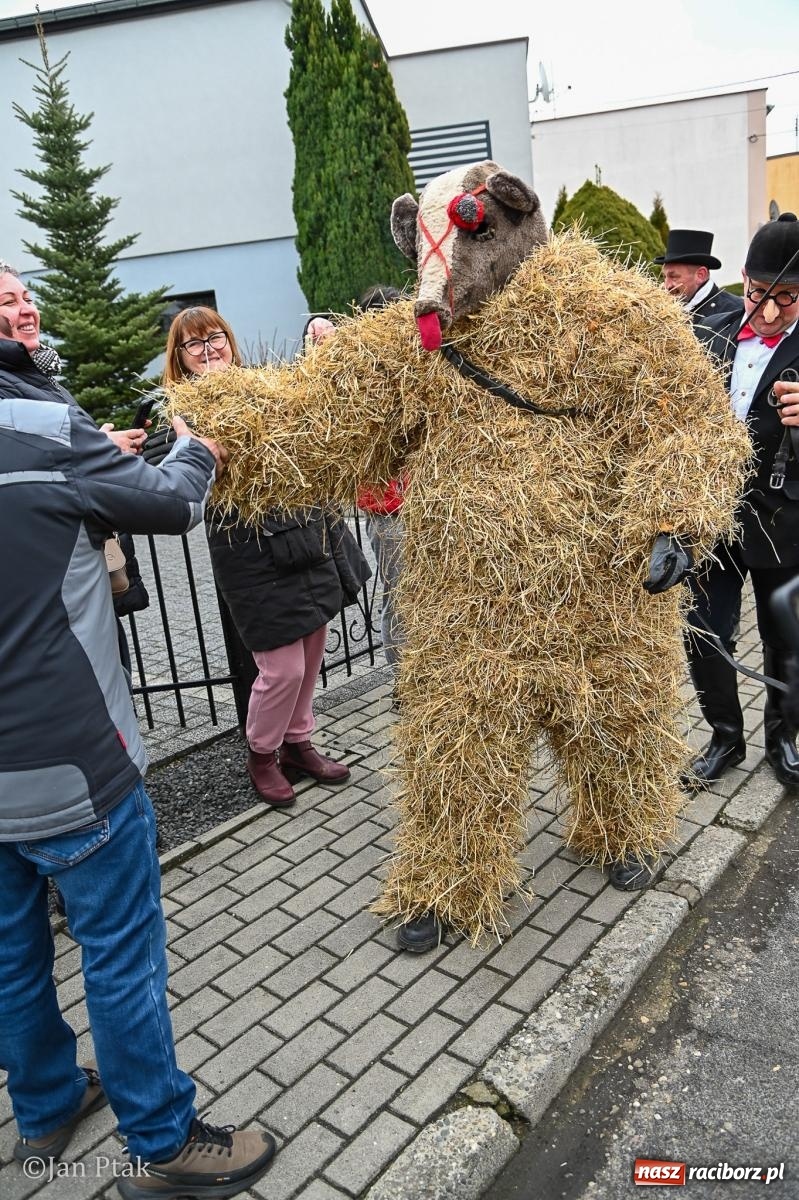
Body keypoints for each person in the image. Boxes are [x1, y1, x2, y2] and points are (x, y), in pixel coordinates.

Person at [0, 264, 278, 1197]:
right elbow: (170, 504)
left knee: (10, 950)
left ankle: (43, 1107)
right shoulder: (38, 424)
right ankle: (161, 1143)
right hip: (71, 761)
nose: (21, 305)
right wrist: (194, 445)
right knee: (119, 951)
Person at [157, 306, 369, 806]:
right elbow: (170, 478)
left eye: (216, 338)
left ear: (229, 340)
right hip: (250, 551)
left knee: (313, 650)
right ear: (180, 357)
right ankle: (262, 754)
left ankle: (298, 743)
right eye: (195, 344)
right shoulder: (180, 412)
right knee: (282, 668)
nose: (209, 349)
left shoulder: (260, 388)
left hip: (302, 534)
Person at [685, 213, 799, 789]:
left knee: (785, 640)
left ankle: (782, 741)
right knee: (703, 632)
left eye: (789, 299)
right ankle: (725, 738)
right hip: (714, 516)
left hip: (784, 522)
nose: (771, 314)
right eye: (760, 296)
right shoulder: (718, 329)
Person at [353, 286, 407, 677]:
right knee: (402, 594)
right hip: (389, 508)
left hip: (419, 503)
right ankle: (406, 680)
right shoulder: (364, 376)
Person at [654, 228, 741, 325]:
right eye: (664, 277)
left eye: (674, 277)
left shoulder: (736, 312)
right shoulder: (661, 311)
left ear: (700, 275)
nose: (667, 286)